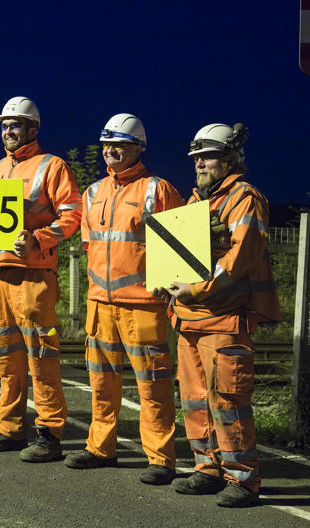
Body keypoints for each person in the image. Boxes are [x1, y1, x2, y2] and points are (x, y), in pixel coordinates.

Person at [153, 122, 280, 508]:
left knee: (228, 400)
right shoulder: (196, 201)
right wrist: (164, 281)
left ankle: (242, 479)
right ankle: (207, 469)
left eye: (207, 157)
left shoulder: (244, 198)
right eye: (196, 158)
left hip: (225, 319)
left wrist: (197, 289)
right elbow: (180, 255)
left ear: (231, 159)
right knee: (194, 399)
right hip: (189, 318)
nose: (199, 163)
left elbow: (241, 257)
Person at [63, 114, 183, 485]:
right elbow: (90, 247)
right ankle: (100, 448)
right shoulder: (92, 192)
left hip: (144, 306)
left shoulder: (158, 190)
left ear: (138, 148)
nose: (110, 151)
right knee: (101, 383)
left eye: (119, 145)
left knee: (153, 385)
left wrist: (168, 286)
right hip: (100, 304)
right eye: (106, 145)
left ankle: (161, 459)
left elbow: (178, 249)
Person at [0, 96, 82, 462]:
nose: (8, 131)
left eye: (15, 125)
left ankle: (49, 434)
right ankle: (11, 428)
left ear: (33, 128)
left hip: (32, 277)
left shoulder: (52, 166)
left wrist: (37, 238)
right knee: (5, 359)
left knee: (41, 358)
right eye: (4, 126)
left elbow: (72, 216)